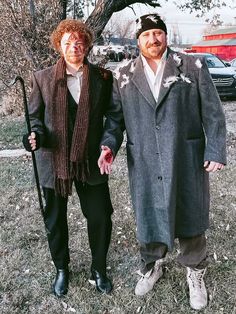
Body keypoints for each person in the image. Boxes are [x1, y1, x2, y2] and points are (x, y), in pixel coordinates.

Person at [98, 14, 226, 310]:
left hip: (185, 156)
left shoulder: (191, 66)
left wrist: (215, 149)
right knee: (149, 213)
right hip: (144, 159)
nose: (153, 39)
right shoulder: (124, 73)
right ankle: (152, 264)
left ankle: (195, 271)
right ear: (137, 40)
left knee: (190, 211)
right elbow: (115, 119)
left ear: (165, 36)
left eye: (158, 33)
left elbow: (213, 111)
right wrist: (109, 145)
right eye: (146, 35)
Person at [23, 19, 114, 297]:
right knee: (55, 219)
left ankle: (99, 268)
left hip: (90, 160)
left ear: (86, 44)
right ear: (59, 47)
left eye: (78, 42)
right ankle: (62, 268)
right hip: (54, 161)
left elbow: (114, 117)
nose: (74, 46)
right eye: (67, 42)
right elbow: (34, 118)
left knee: (100, 216)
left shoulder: (102, 78)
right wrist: (34, 136)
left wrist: (108, 144)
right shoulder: (42, 78)